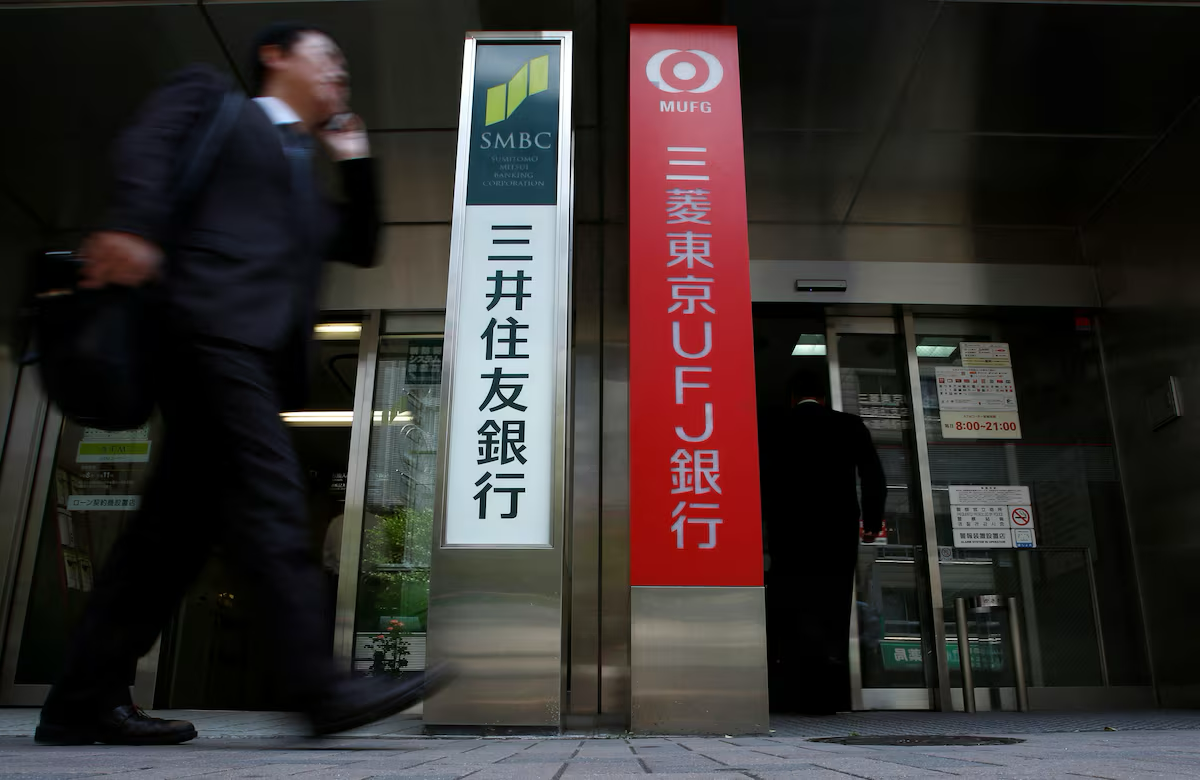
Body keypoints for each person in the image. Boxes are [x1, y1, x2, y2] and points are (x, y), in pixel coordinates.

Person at [36, 22, 446, 746]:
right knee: (269, 495)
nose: (340, 73)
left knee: (168, 542)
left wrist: (354, 159)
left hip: (251, 355)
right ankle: (318, 689)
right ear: (274, 56)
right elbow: (148, 144)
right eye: (328, 56)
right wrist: (132, 224)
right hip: (203, 329)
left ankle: (82, 699)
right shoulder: (214, 104)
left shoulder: (302, 178)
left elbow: (360, 241)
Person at [761, 367, 885, 715]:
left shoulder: (774, 426)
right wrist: (871, 522)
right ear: (824, 397)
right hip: (836, 531)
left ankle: (790, 693)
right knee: (832, 605)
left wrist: (763, 525)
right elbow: (872, 475)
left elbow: (761, 477)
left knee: (791, 605)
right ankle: (828, 695)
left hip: (788, 532)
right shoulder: (849, 425)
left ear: (792, 397)